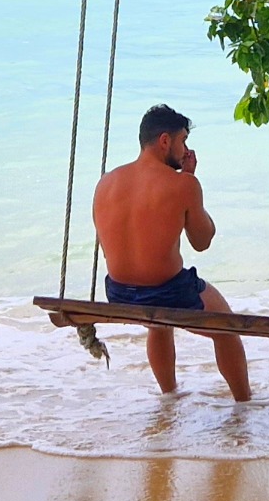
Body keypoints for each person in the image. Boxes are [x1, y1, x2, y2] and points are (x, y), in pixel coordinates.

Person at [91, 104, 250, 400]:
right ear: (165, 141)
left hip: (120, 293)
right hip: (169, 293)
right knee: (226, 326)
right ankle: (244, 403)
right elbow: (202, 242)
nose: (185, 150)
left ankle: (169, 397)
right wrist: (190, 179)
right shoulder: (182, 184)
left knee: (159, 324)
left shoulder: (106, 183)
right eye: (183, 141)